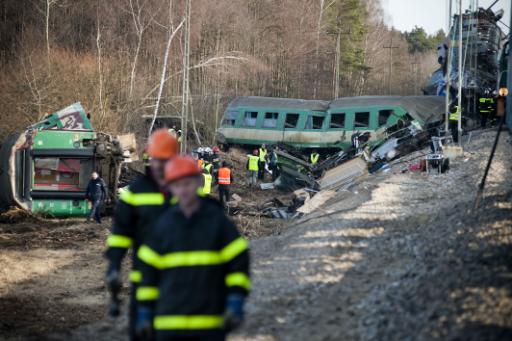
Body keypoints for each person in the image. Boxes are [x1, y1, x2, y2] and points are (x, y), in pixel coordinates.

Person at [135, 156, 250, 341]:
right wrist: (144, 310)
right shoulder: (161, 226)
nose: (184, 190)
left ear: (198, 183)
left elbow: (238, 263)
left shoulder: (218, 223)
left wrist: (235, 299)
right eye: (177, 184)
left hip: (209, 324)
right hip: (168, 325)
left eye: (188, 183)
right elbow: (147, 275)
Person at [105, 129, 178, 341]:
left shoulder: (183, 191)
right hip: (145, 275)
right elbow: (120, 235)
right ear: (148, 160)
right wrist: (113, 267)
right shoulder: (134, 194)